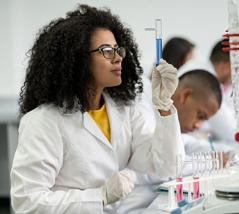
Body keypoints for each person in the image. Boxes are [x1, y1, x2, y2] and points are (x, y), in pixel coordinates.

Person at [10, 4, 184, 213]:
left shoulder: (124, 109)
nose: (118, 57)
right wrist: (99, 196)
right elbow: (27, 203)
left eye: (118, 49)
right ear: (77, 58)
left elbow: (166, 167)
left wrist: (164, 105)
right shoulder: (43, 121)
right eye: (106, 51)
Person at [118, 69, 223, 214]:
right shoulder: (142, 100)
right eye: (200, 115)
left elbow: (183, 142)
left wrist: (215, 154)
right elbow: (157, 166)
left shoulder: (154, 98)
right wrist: (208, 161)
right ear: (185, 95)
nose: (199, 125)